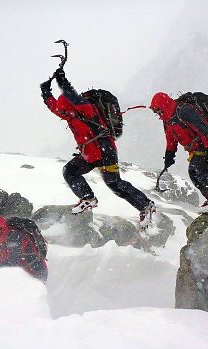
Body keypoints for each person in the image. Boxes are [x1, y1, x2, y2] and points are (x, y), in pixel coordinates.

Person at [40, 68, 155, 229]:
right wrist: (45, 92)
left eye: (64, 108)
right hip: (90, 154)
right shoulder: (69, 114)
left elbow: (71, 95)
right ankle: (88, 198)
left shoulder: (85, 108)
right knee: (69, 171)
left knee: (114, 183)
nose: (62, 112)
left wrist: (62, 80)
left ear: (69, 105)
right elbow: (54, 107)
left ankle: (146, 206)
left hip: (105, 151)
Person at [149, 92, 208, 212]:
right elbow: (171, 139)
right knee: (207, 174)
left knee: (197, 171)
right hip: (196, 149)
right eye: (155, 111)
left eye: (158, 110)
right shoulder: (167, 120)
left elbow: (205, 130)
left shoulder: (184, 111)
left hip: (205, 143)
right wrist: (169, 155)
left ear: (164, 105)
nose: (157, 113)